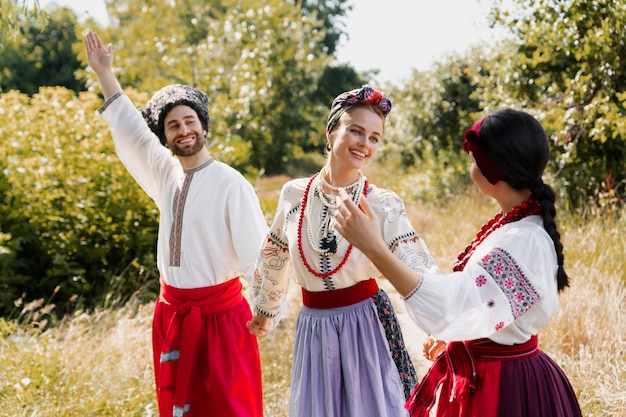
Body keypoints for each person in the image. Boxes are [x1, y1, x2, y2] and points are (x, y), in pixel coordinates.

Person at [335, 109, 583, 417]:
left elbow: (449, 306)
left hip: (504, 386)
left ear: (492, 168)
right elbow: (482, 305)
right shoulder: (517, 227)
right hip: (492, 372)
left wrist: (374, 247)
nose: (471, 167)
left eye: (473, 159)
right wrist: (461, 337)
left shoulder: (523, 238)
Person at [84, 31, 268, 417]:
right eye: (173, 126)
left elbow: (259, 252)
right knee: (180, 408)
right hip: (173, 314)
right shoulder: (165, 174)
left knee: (229, 408)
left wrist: (267, 309)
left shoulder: (230, 182)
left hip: (222, 319)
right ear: (165, 136)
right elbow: (132, 131)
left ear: (203, 126)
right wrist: (104, 73)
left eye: (189, 121)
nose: (183, 130)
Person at [246, 85, 440, 417]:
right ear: (332, 130)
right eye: (356, 131)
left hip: (365, 325)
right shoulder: (294, 194)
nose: (365, 143)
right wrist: (265, 308)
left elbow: (419, 265)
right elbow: (275, 252)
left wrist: (438, 326)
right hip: (314, 326)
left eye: (375, 137)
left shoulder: (381, 203)